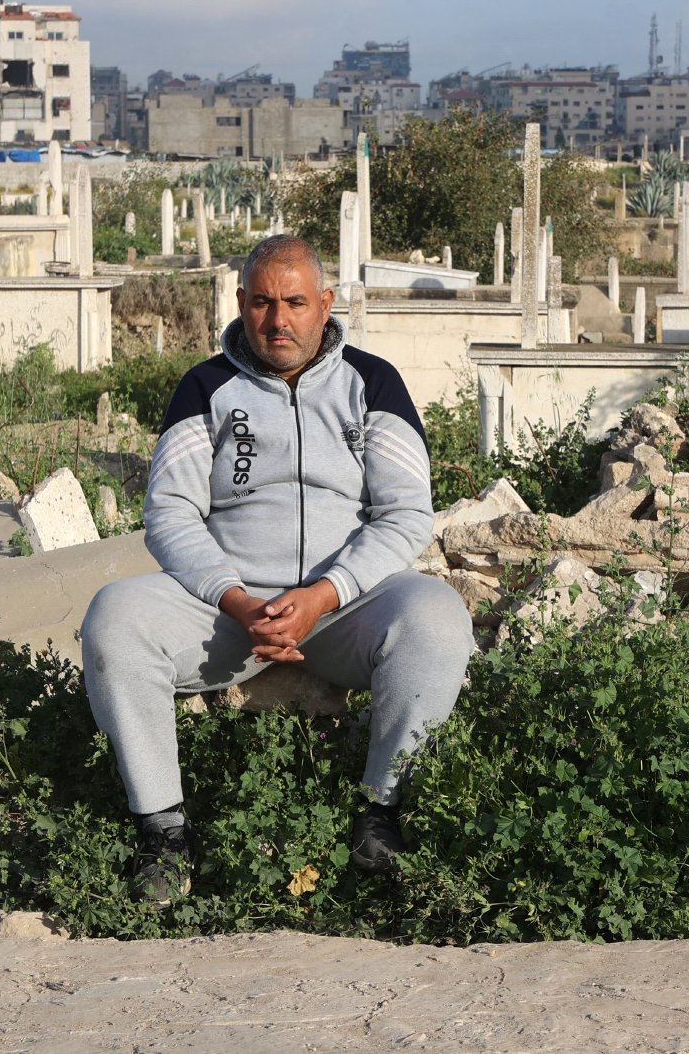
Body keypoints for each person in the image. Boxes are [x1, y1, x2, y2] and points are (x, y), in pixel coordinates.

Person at [81, 234, 473, 906]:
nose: (278, 320)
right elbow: (169, 513)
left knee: (438, 618)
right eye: (262, 302)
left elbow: (407, 514)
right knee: (113, 617)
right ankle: (163, 834)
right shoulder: (204, 388)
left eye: (295, 302)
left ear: (325, 304)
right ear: (240, 303)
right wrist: (235, 599)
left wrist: (325, 593)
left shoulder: (373, 383)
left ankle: (381, 816)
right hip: (229, 613)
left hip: (348, 609)